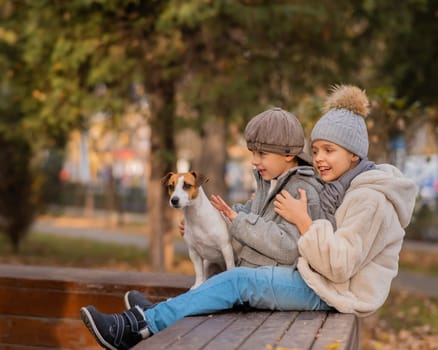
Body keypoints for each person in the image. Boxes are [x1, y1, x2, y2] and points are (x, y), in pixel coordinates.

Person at [80, 86, 418, 350]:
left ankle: (135, 327)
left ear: (354, 154)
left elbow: (341, 265)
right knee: (230, 276)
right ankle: (160, 313)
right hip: (322, 280)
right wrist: (214, 221)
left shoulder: (369, 198)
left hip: (335, 291)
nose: (319, 160)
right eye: (315, 151)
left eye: (329, 151)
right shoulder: (339, 186)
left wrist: (303, 223)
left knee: (238, 280)